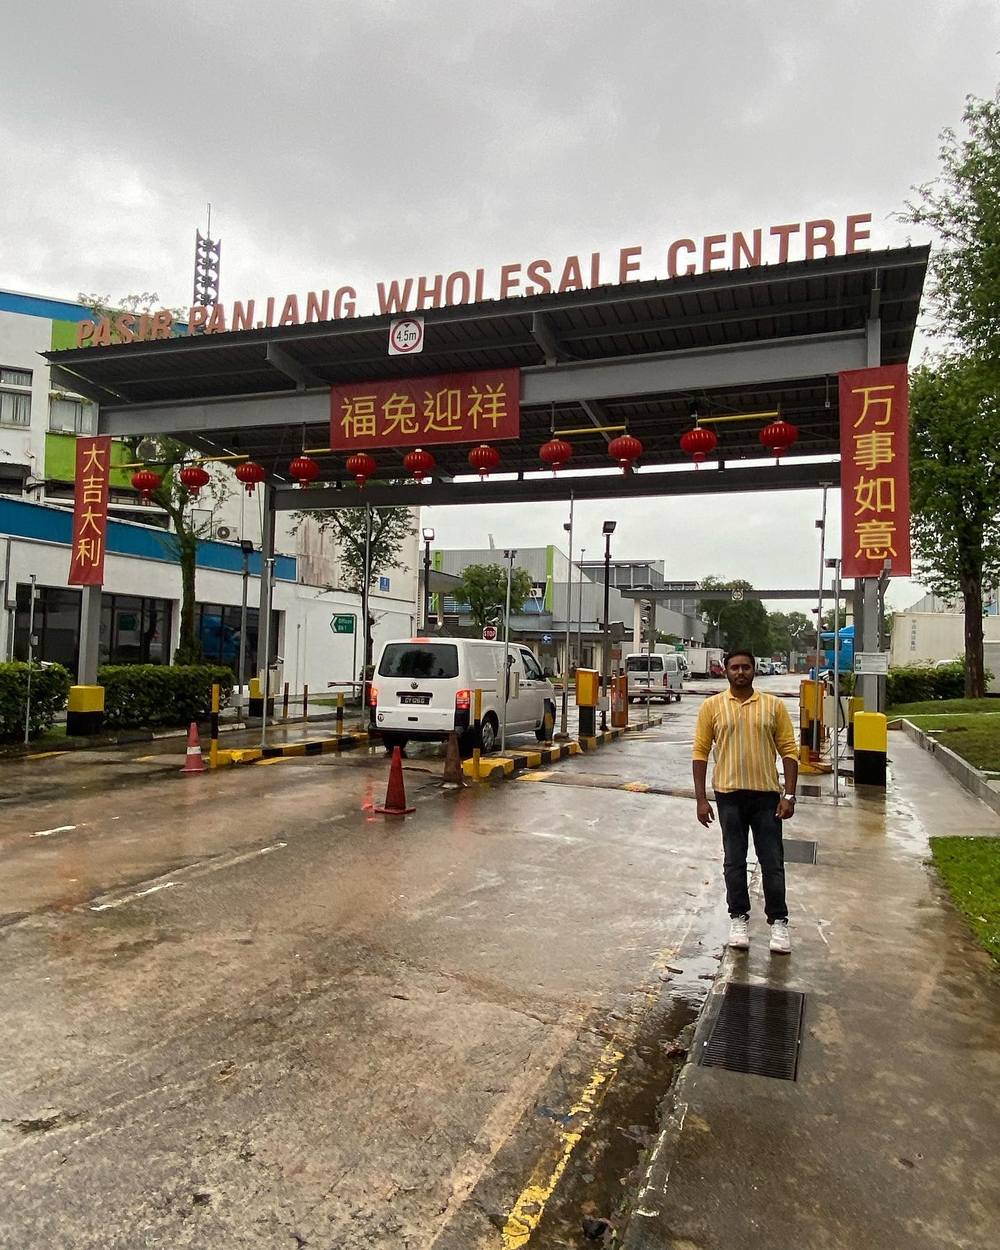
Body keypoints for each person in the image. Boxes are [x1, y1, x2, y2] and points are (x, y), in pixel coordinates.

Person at [691, 648, 799, 954]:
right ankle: (738, 918)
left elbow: (789, 751)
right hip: (729, 797)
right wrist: (701, 800)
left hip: (766, 798)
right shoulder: (712, 707)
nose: (740, 672)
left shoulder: (773, 706)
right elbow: (700, 753)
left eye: (746, 667)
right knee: (734, 861)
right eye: (735, 667)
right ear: (726, 671)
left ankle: (779, 923)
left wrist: (789, 795)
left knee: (772, 862)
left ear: (754, 671)